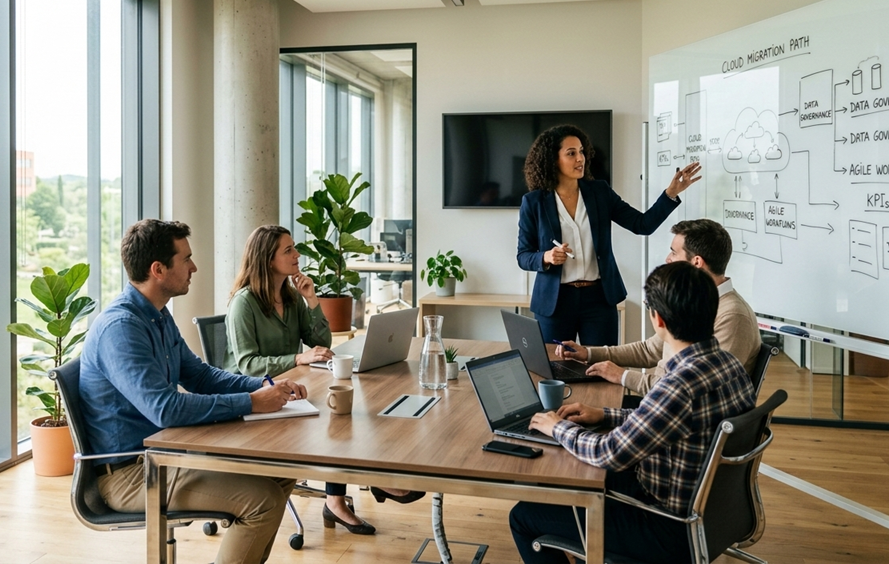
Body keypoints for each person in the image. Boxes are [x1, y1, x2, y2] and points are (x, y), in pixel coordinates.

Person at [80, 219, 301, 564]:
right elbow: (165, 409)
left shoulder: (157, 315)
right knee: (263, 501)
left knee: (281, 469)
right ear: (158, 269)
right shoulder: (121, 329)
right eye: (186, 259)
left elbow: (199, 375)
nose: (194, 267)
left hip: (166, 454)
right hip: (131, 473)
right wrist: (250, 403)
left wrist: (262, 385)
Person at [509, 261, 756, 563]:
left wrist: (556, 426)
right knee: (567, 483)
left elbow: (607, 452)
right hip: (708, 511)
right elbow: (664, 421)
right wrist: (604, 414)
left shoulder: (678, 385)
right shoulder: (728, 365)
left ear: (658, 319)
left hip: (665, 527)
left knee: (524, 516)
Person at [224, 225, 424, 536]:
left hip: (289, 388)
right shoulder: (244, 304)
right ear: (266, 259)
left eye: (294, 248)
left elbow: (321, 340)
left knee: (344, 409)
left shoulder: (289, 296)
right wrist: (298, 358)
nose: (297, 254)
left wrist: (312, 299)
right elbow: (247, 365)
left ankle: (349, 491)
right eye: (288, 250)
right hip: (255, 396)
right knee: (336, 418)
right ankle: (362, 485)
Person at [517, 123, 702, 346]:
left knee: (601, 368)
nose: (580, 159)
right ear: (553, 159)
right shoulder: (534, 201)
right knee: (555, 370)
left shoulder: (599, 192)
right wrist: (546, 257)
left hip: (598, 300)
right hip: (555, 302)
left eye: (582, 151)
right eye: (571, 153)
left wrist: (670, 194)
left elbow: (641, 224)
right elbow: (523, 255)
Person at [556, 218, 762, 404]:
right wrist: (589, 353)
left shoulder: (733, 317)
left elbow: (696, 392)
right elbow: (650, 350)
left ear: (696, 262)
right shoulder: (694, 300)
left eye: (674, 252)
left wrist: (623, 376)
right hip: (661, 402)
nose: (667, 259)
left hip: (678, 415)